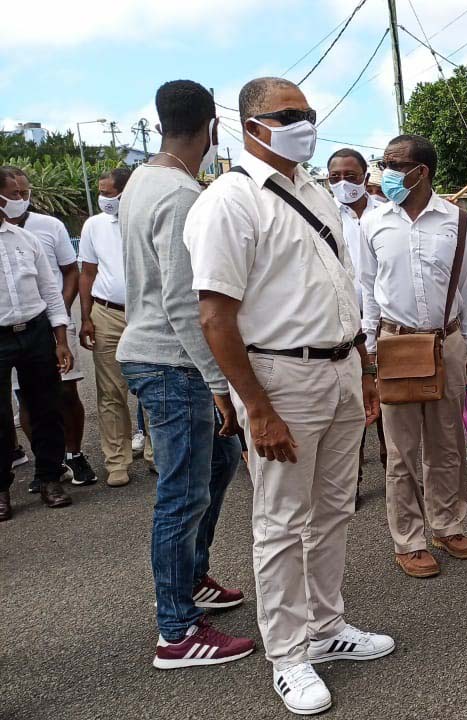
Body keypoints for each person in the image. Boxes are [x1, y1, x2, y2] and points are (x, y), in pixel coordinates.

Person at [188, 76, 392, 716]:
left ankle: (327, 628)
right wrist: (256, 406)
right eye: (289, 114)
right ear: (251, 125)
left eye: (308, 111)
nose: (305, 121)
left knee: (333, 511)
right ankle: (288, 655)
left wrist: (361, 370)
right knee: (280, 524)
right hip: (280, 378)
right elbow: (216, 317)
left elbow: (341, 288)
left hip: (336, 369)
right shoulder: (232, 199)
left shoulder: (316, 192)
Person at [117, 79, 254, 670]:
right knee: (181, 494)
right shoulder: (177, 194)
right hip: (172, 364)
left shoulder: (140, 182)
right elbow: (183, 303)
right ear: (213, 126)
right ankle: (176, 631)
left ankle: (192, 579)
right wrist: (220, 383)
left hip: (156, 356)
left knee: (217, 465)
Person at [359, 134, 467, 579]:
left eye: (394, 163)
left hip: (446, 341)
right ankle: (408, 539)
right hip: (394, 344)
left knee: (447, 442)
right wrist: (369, 354)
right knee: (401, 448)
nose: (386, 170)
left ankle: (447, 524)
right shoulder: (373, 223)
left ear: (421, 171)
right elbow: (366, 291)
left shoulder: (457, 221)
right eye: (385, 161)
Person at [1, 166, 94, 487]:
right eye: (14, 194)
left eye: (24, 192)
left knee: (55, 400)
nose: (21, 199)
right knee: (11, 409)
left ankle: (59, 468)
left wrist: (60, 330)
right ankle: (14, 483)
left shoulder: (36, 234)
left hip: (40, 329)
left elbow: (60, 281)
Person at [80, 167, 152, 487]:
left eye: (109, 193)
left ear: (127, 192)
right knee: (111, 391)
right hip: (107, 314)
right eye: (101, 192)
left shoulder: (146, 219)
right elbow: (87, 273)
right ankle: (117, 460)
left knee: (153, 387)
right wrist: (85, 318)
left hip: (147, 313)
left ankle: (156, 454)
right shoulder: (94, 225)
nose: (103, 199)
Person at [327, 148, 386, 480]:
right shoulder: (324, 216)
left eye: (350, 176)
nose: (343, 183)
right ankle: (355, 479)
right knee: (353, 402)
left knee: (387, 400)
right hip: (345, 324)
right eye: (335, 177)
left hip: (385, 320)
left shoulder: (386, 212)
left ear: (365, 176)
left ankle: (391, 465)